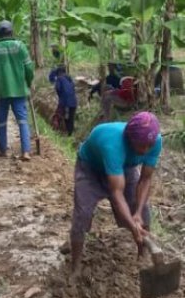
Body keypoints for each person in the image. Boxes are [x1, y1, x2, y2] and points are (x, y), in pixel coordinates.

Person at [68, 112, 162, 279]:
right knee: (83, 214)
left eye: (149, 145)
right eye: (141, 145)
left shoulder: (154, 141)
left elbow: (145, 179)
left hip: (123, 167)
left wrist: (138, 213)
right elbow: (116, 193)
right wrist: (133, 227)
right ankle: (75, 267)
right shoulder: (112, 143)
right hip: (91, 169)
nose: (145, 150)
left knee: (144, 212)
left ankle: (143, 257)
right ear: (129, 138)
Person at [0, 20, 34, 160]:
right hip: (19, 91)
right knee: (23, 121)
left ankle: (3, 150)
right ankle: (26, 152)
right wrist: (29, 83)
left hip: (2, 92)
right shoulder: (20, 46)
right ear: (12, 32)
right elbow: (29, 68)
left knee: (1, 121)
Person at [49, 65, 77, 136]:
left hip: (65, 102)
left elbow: (58, 88)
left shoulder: (59, 78)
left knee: (64, 117)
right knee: (71, 118)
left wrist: (60, 96)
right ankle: (70, 134)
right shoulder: (69, 79)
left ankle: (66, 133)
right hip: (74, 102)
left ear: (59, 72)